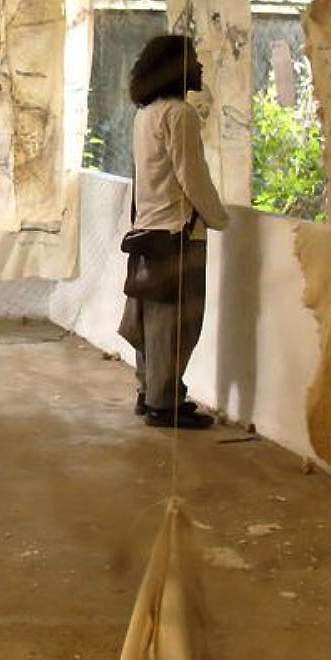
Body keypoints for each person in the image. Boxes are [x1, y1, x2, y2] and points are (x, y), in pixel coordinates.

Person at [119, 35, 229, 429]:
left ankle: (150, 392)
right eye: (193, 60)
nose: (198, 67)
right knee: (178, 323)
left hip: (148, 231)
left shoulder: (145, 114)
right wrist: (219, 219)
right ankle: (164, 405)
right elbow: (192, 178)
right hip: (178, 235)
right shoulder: (180, 115)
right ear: (175, 68)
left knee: (152, 320)